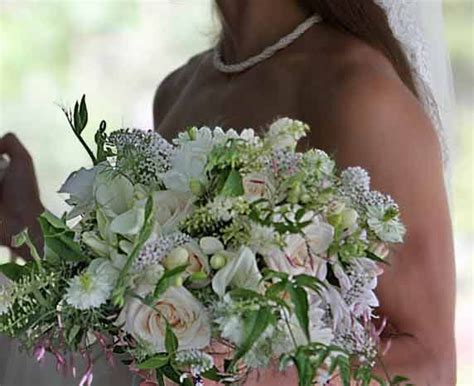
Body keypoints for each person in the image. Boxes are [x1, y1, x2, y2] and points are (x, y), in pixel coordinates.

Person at [0, 1, 456, 385]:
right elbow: (148, 311)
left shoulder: (357, 91)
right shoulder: (179, 91)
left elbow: (431, 364)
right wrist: (31, 224)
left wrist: (254, 373)